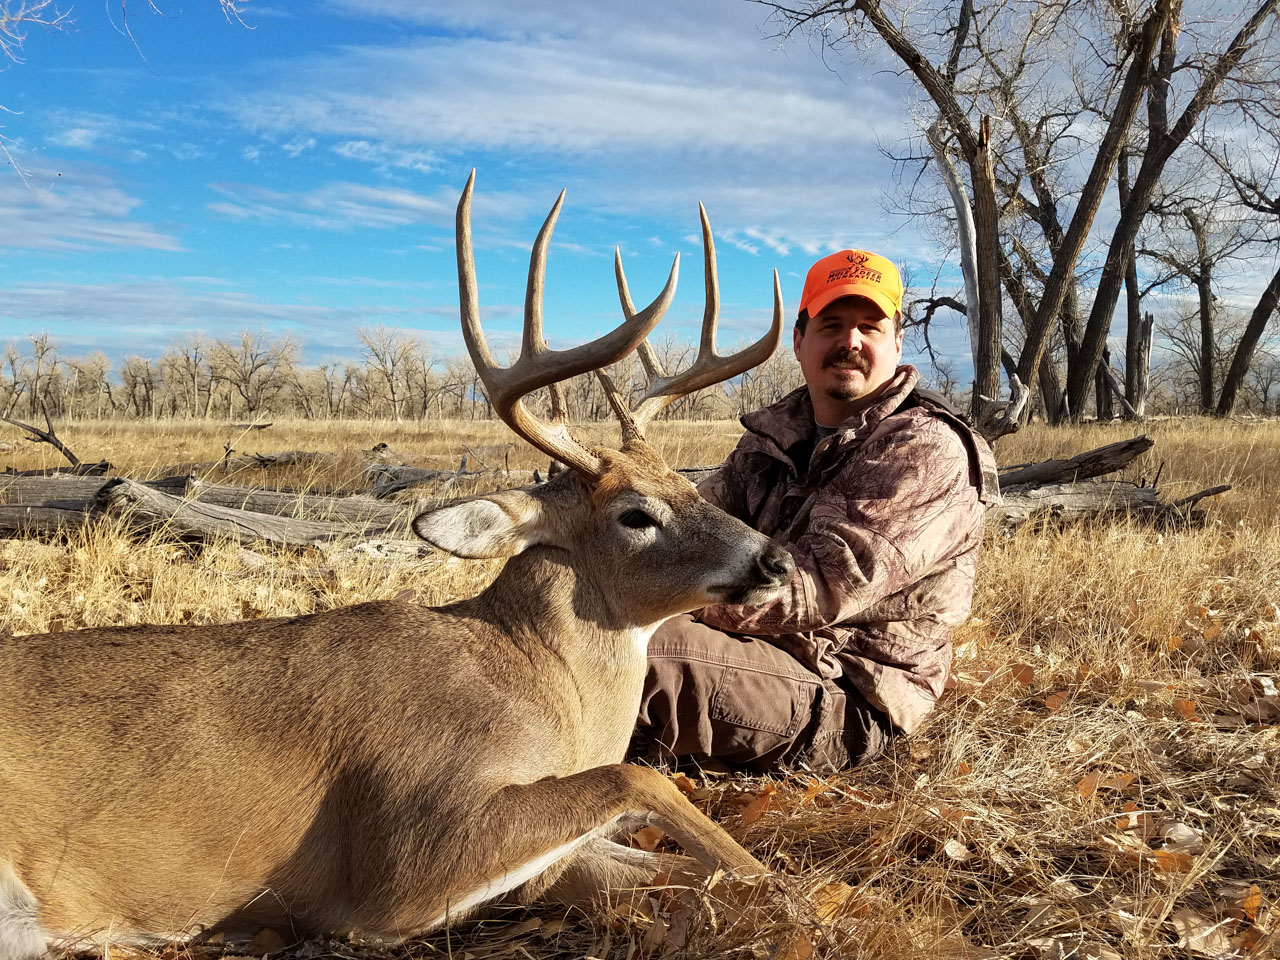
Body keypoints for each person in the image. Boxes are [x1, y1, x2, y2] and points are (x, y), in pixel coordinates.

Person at [634, 248, 1000, 771]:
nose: (850, 341)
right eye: (832, 324)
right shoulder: (774, 436)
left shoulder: (926, 449)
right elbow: (694, 523)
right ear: (800, 341)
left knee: (628, 647)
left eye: (869, 327)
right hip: (751, 651)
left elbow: (819, 588)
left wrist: (647, 590)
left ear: (897, 341)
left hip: (847, 697)